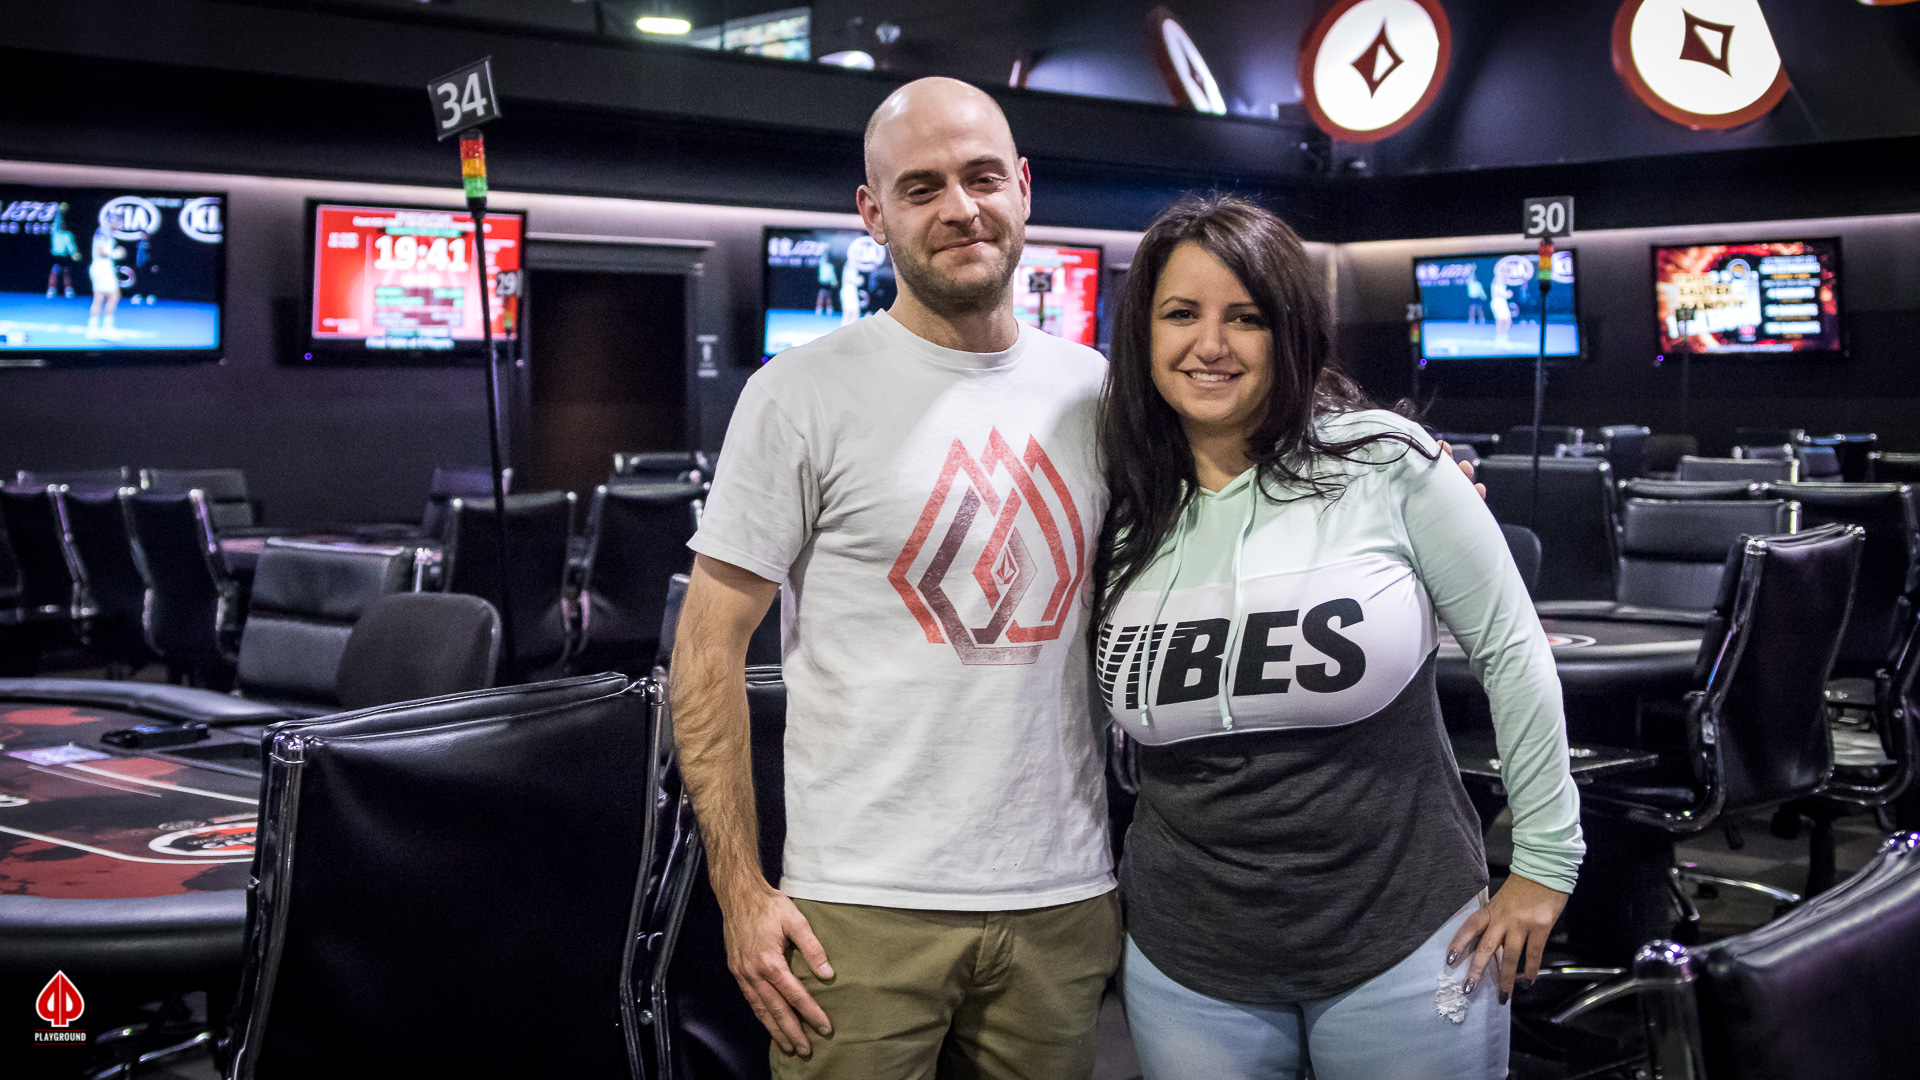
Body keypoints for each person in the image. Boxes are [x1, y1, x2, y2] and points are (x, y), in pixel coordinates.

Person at [672, 77, 1119, 1080]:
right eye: (921, 188)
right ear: (872, 214)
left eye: (982, 177)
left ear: (1024, 187)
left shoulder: (1099, 391)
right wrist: (740, 892)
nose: (961, 208)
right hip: (858, 910)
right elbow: (704, 654)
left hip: (1063, 898)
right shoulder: (798, 394)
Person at [1094, 195, 1582, 1080]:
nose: (1211, 344)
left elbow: (1514, 653)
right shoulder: (1118, 506)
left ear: (1292, 333)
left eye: (1247, 318)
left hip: (1405, 936)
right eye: (1181, 314)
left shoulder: (1386, 463)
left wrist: (1545, 864)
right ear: (1143, 334)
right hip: (1186, 956)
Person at [87, 225, 124, 338]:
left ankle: (92, 330)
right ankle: (107, 330)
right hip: (102, 269)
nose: (121, 225)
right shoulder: (103, 232)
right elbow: (100, 252)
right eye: (119, 221)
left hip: (101, 268)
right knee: (113, 296)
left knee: (98, 298)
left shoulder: (105, 232)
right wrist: (116, 253)